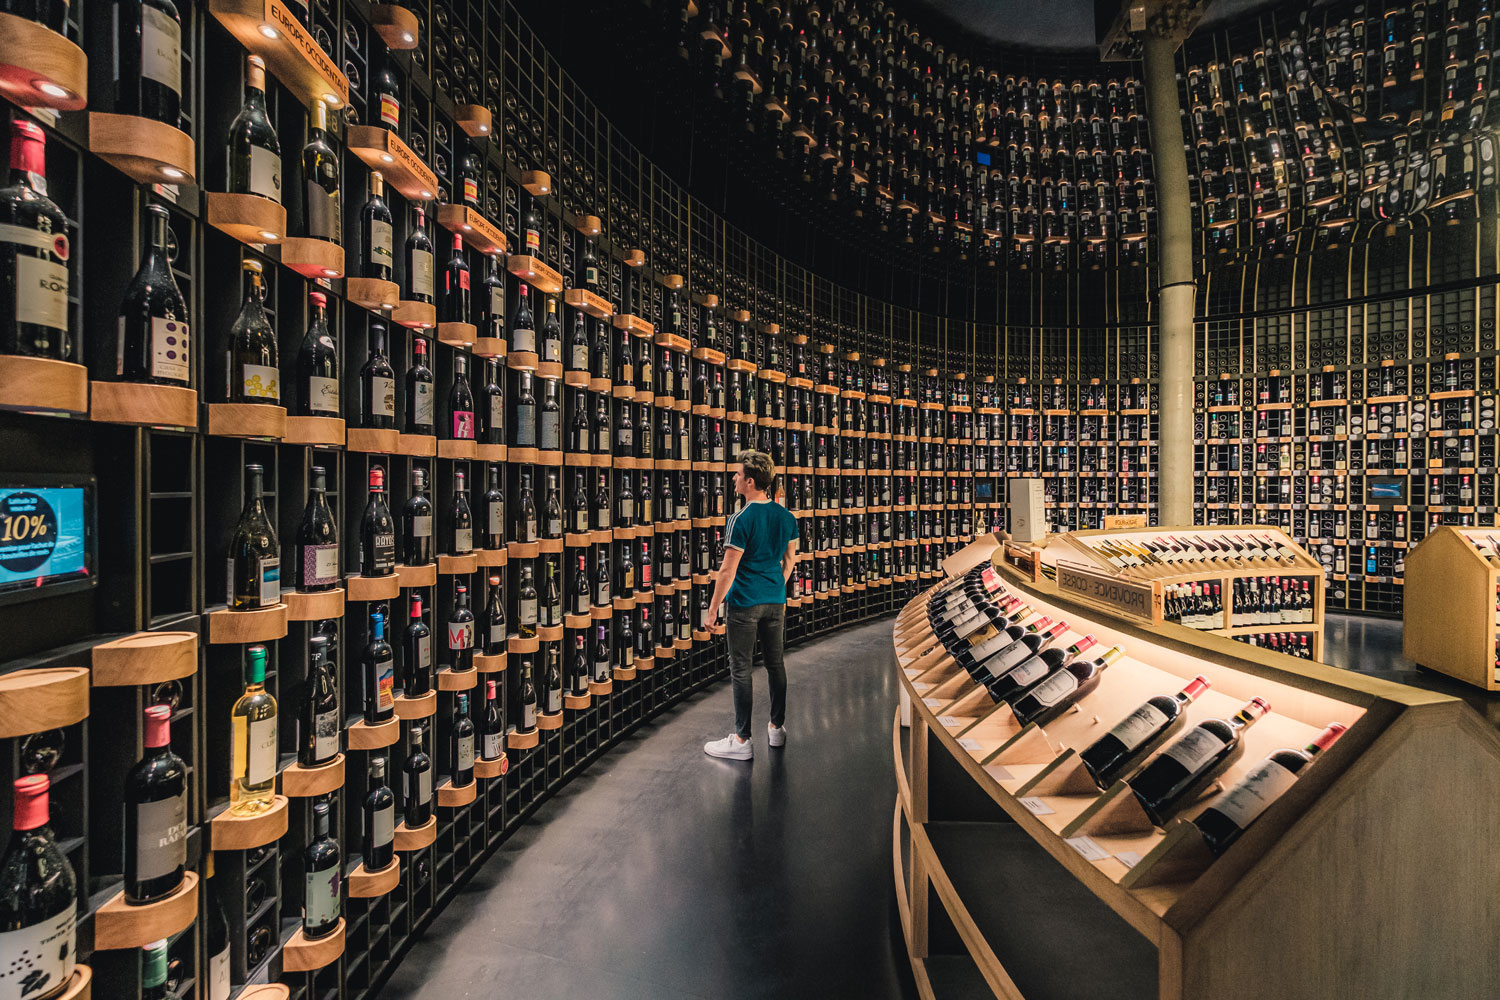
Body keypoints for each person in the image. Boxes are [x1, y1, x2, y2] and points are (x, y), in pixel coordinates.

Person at [703, 450, 799, 761]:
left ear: (750, 481)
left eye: (737, 475)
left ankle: (742, 740)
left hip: (744, 603)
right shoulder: (787, 518)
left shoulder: (740, 519)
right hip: (775, 600)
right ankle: (776, 728)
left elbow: (727, 571)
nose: (733, 478)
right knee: (775, 664)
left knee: (741, 669)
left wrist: (713, 609)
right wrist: (775, 585)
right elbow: (789, 562)